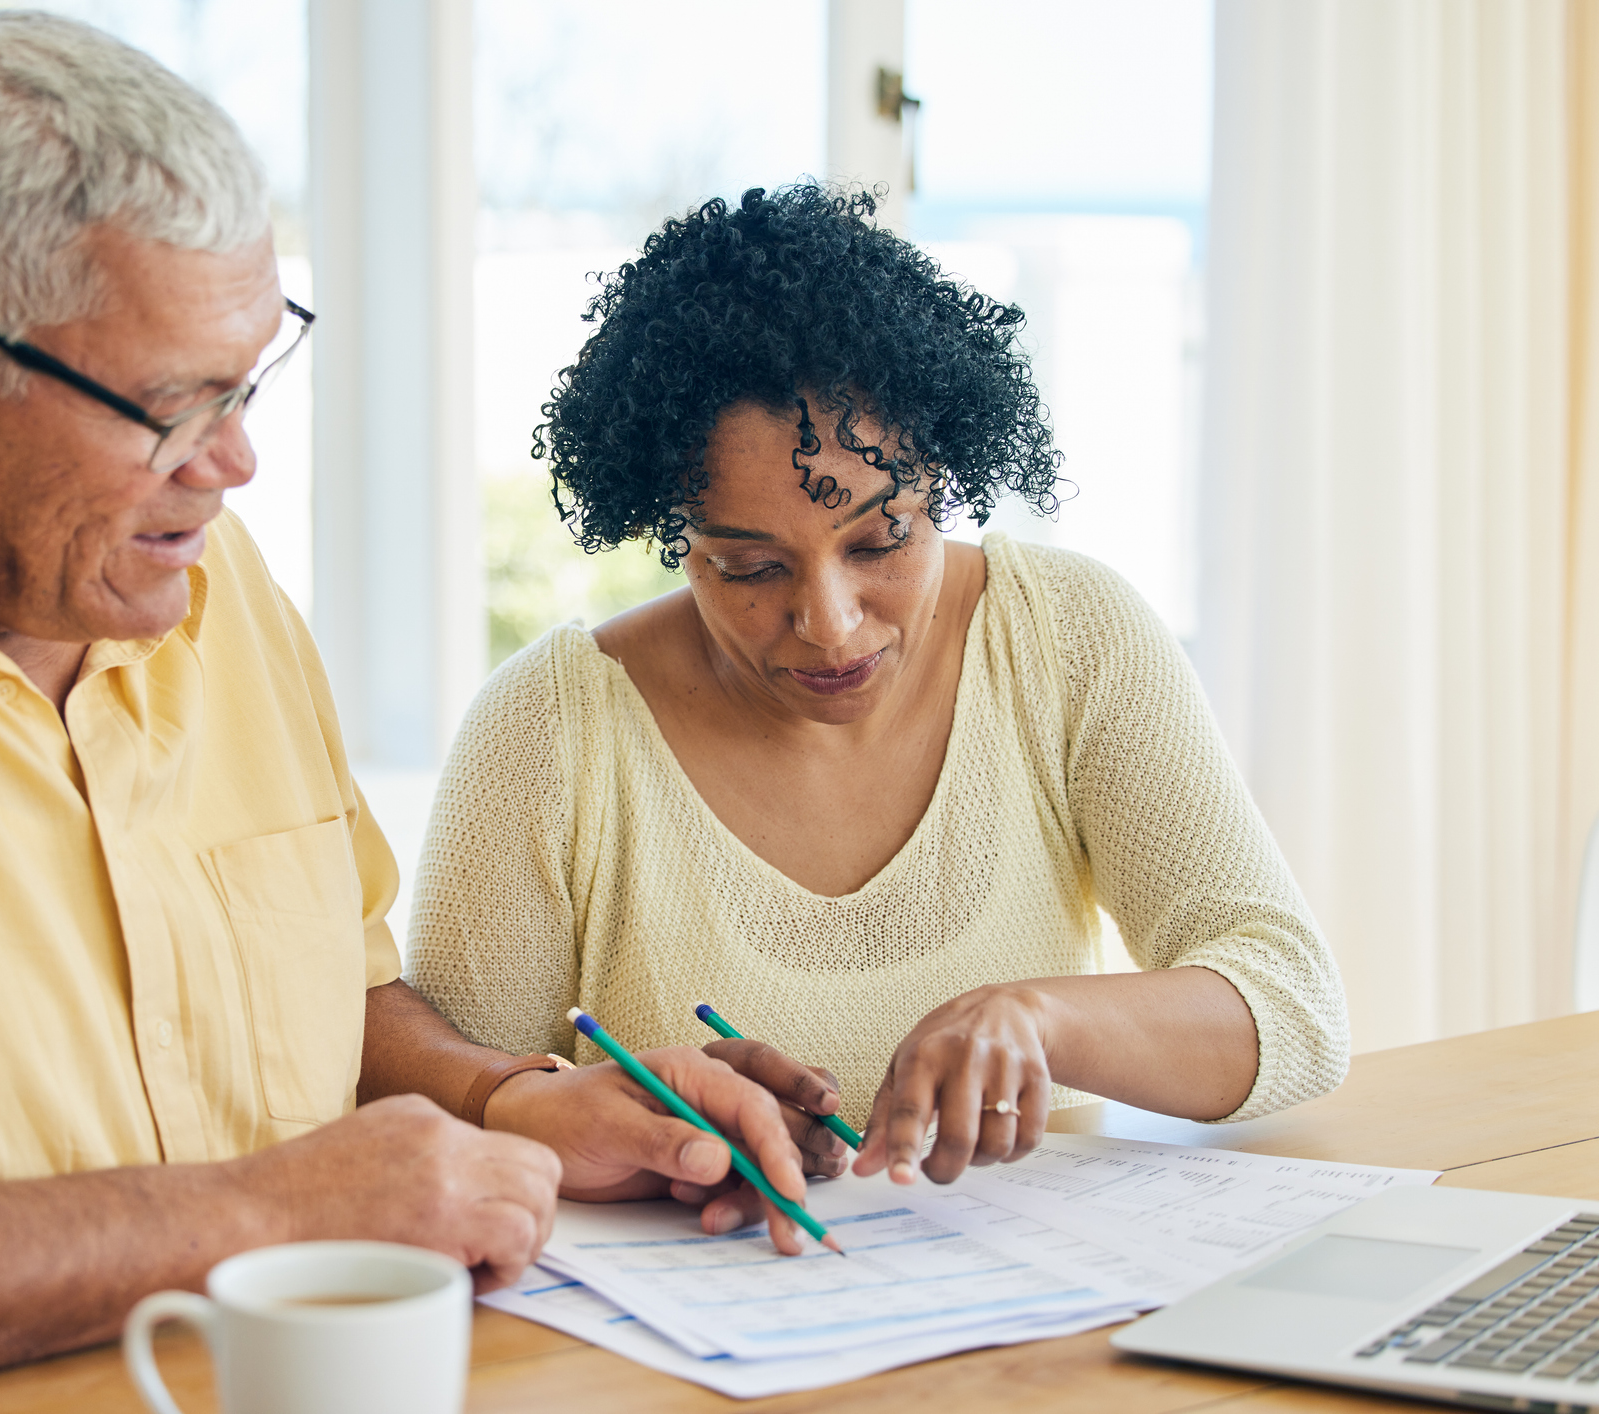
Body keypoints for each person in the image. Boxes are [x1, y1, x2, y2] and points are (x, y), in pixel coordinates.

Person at [0, 17, 812, 1411]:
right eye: (174, 408)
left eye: (251, 379)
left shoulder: (193, 578)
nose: (233, 462)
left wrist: (506, 1099)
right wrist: (259, 1212)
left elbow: (331, 999)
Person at [406, 184, 1351, 1236]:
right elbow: (440, 1117)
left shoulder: (1064, 637)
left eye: (881, 539)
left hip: (1026, 1333)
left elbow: (1293, 1011)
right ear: (672, 533)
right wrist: (604, 1115)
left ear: (943, 474)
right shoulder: (547, 731)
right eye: (748, 566)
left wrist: (1039, 1019)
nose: (829, 623)